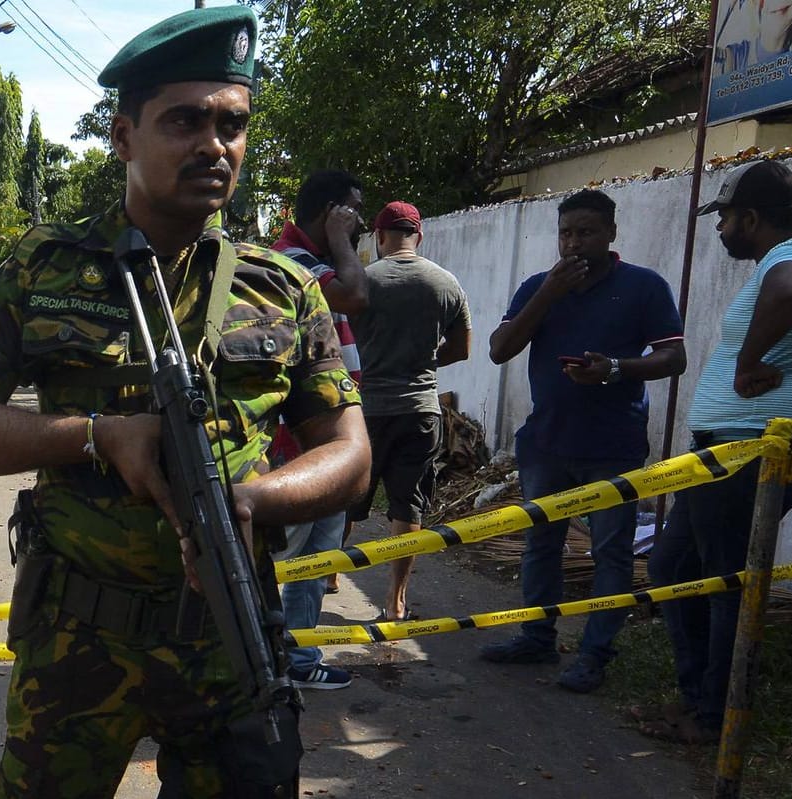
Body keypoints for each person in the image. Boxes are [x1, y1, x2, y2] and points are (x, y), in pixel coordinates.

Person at [0, 9, 369, 799]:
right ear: (123, 134)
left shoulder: (282, 285)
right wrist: (89, 435)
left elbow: (348, 448)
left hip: (227, 647)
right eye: (184, 121)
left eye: (231, 122)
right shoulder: (47, 268)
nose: (214, 144)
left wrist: (260, 499)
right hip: (78, 643)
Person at [482, 188, 687, 693]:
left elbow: (673, 359)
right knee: (541, 544)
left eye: (587, 232)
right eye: (566, 232)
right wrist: (547, 295)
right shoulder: (537, 286)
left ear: (612, 234)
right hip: (546, 443)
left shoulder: (643, 287)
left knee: (611, 553)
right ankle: (537, 637)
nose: (574, 243)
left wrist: (616, 369)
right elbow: (499, 350)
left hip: (612, 447)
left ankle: (595, 654)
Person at [644, 159, 792, 744]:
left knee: (719, 581)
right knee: (676, 568)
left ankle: (714, 717)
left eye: (725, 218)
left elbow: (788, 292)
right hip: (728, 452)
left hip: (746, 451)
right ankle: (702, 702)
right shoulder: (773, 263)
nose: (721, 229)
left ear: (751, 218)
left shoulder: (783, 261)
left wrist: (750, 361)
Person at [349, 200, 472, 620]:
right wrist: (424, 360)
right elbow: (463, 349)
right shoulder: (446, 283)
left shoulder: (362, 282)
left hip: (366, 410)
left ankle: (329, 576)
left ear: (380, 236)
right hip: (421, 409)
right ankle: (395, 598)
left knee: (348, 497)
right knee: (408, 504)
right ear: (419, 236)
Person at [272, 168, 369, 690]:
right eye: (352, 211)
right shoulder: (294, 262)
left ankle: (299, 661)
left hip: (326, 443)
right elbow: (356, 294)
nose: (358, 223)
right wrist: (338, 239)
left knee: (314, 560)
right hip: (298, 447)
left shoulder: (318, 262)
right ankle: (258, 665)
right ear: (332, 211)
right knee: (282, 558)